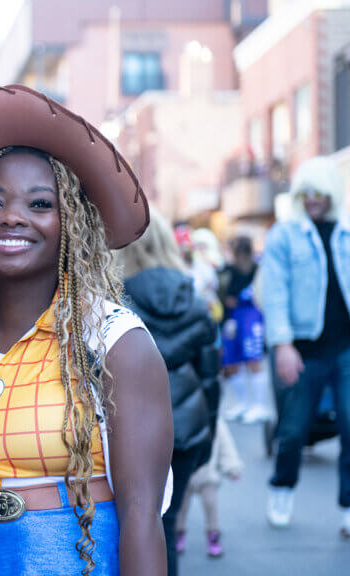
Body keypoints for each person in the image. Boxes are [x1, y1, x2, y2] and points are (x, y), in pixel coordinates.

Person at [0, 85, 170, 576]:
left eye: (40, 205)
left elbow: (143, 518)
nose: (11, 216)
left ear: (71, 222)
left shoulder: (116, 343)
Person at [119, 210, 220, 576]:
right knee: (165, 520)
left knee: (129, 522)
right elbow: (211, 379)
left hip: (130, 431)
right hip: (187, 429)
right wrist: (206, 438)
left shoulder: (111, 302)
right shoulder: (196, 304)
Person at [259, 155, 350, 536]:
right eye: (306, 192)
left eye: (319, 192)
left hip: (345, 349)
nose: (313, 199)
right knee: (294, 430)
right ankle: (282, 487)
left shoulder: (346, 232)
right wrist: (282, 344)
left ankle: (348, 506)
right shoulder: (285, 235)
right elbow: (275, 291)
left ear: (330, 193)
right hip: (303, 350)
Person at [217, 236, 268, 423]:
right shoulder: (227, 270)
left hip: (251, 317)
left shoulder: (258, 269)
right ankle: (243, 403)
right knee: (231, 362)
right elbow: (223, 295)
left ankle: (259, 406)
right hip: (232, 319)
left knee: (253, 359)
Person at [175, 416, 242, 558]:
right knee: (181, 508)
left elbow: (226, 447)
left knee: (210, 505)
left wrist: (232, 467)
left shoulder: (215, 422)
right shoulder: (184, 418)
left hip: (208, 476)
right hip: (186, 474)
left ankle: (213, 535)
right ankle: (178, 533)